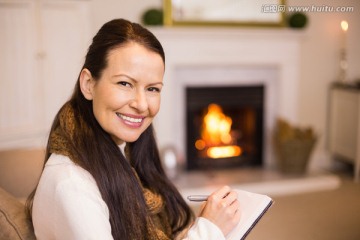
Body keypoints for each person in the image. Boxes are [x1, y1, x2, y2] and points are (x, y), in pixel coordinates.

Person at [27, 18, 241, 240]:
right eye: (125, 83)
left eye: (152, 89)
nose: (141, 104)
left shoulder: (126, 155)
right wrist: (209, 230)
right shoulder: (72, 185)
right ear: (88, 84)